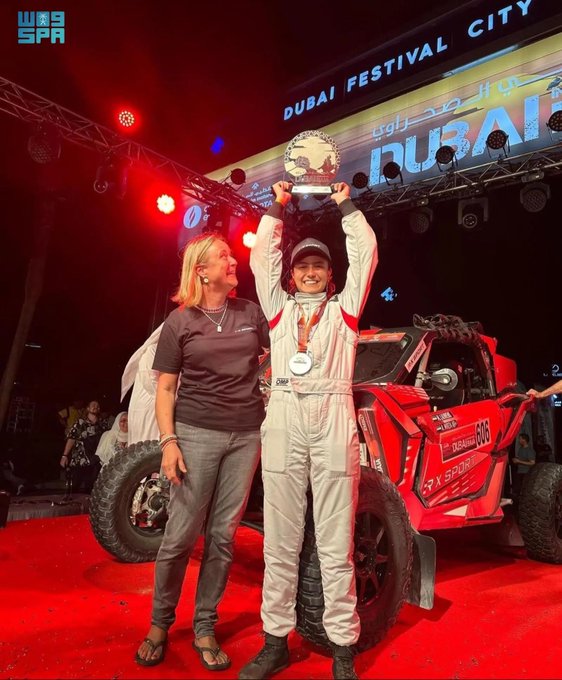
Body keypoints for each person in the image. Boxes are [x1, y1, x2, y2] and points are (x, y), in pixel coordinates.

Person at [240, 181, 378, 680]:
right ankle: (275, 641)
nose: (311, 272)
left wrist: (345, 204)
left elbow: (366, 253)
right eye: (303, 266)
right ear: (292, 275)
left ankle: (343, 648)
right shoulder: (278, 313)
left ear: (331, 274)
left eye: (319, 265)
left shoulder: (345, 311)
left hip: (333, 414)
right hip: (284, 414)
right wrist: (278, 205)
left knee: (336, 541)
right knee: (279, 540)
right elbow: (261, 259)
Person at [135, 232, 270, 671]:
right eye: (224, 256)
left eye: (231, 255)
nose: (233, 261)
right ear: (201, 271)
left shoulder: (251, 312)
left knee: (223, 537)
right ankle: (159, 624)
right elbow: (165, 389)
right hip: (195, 435)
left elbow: (283, 352)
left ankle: (205, 626)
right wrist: (169, 442)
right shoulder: (180, 322)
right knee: (179, 536)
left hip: (246, 437)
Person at [121, 324, 163, 445]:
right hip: (148, 407)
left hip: (156, 406)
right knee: (145, 447)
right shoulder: (152, 350)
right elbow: (150, 382)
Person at [59, 400, 109, 492]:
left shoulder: (102, 424)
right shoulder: (80, 423)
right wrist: (64, 455)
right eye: (93, 405)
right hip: (80, 460)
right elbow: (71, 438)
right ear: (88, 408)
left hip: (95, 460)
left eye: (97, 405)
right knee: (74, 487)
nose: (95, 407)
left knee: (91, 487)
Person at [512, 432, 536, 497]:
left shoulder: (529, 450)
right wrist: (516, 460)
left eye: (520, 439)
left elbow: (532, 463)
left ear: (524, 440)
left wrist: (519, 461)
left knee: (525, 489)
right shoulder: (521, 449)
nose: (519, 441)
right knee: (519, 489)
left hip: (526, 472)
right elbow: (521, 459)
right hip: (520, 471)